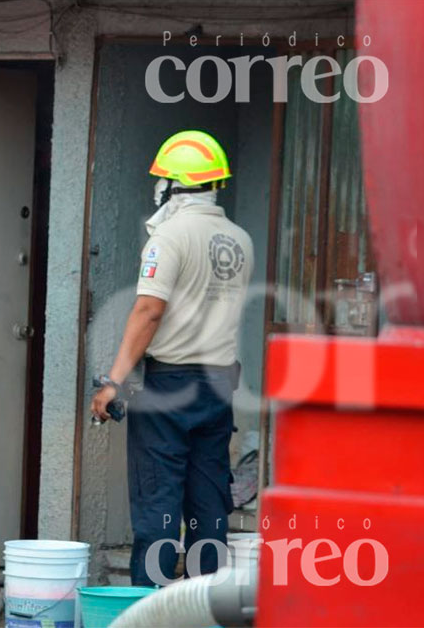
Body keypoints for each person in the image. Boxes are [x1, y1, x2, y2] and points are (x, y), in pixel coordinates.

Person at [90, 130, 253, 587]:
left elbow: (149, 310)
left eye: (161, 180)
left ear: (173, 185)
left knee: (157, 504)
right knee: (207, 505)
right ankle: (204, 609)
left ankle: (150, 611)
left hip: (169, 386)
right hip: (219, 386)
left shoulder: (168, 237)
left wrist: (113, 382)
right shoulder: (240, 240)